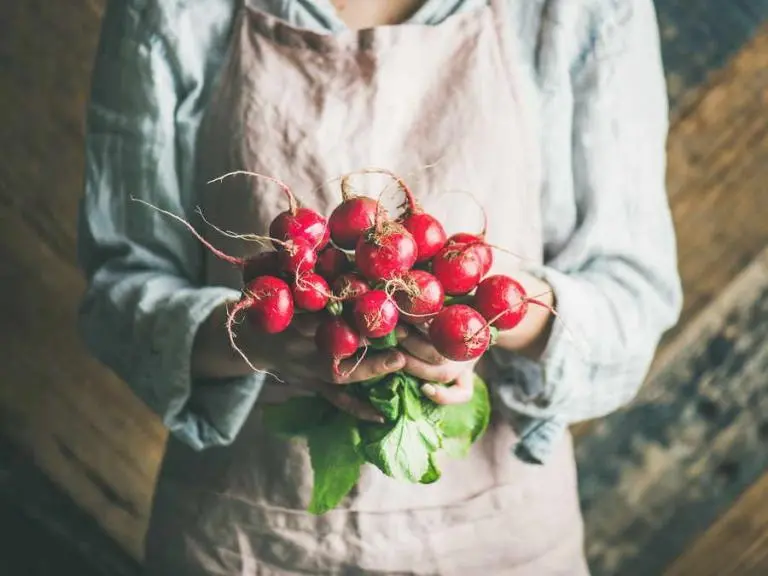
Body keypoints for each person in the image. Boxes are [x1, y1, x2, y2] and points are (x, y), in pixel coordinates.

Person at [77, 0, 683, 573]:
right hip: (244, 542)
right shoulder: (173, 11)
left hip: (498, 541)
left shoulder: (583, 10)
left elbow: (632, 296)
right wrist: (260, 337)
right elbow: (119, 290)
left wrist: (492, 315)